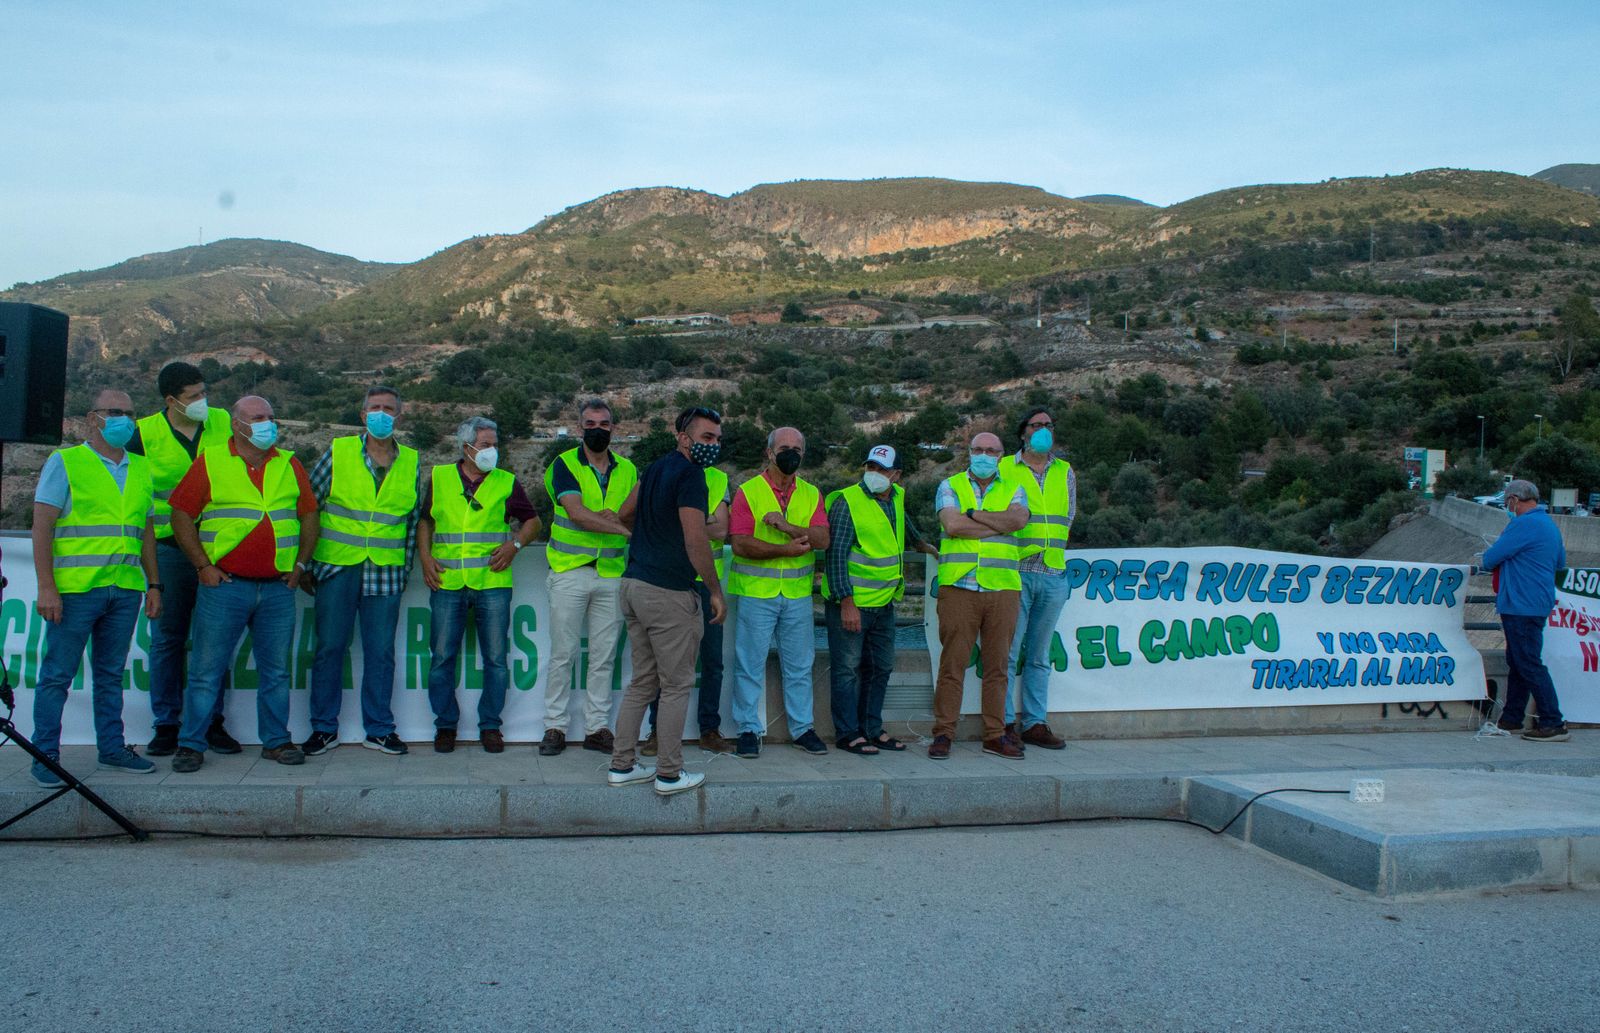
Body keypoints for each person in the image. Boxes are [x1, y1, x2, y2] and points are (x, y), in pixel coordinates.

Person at [167, 396, 320, 773]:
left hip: (277, 588)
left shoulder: (289, 463)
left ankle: (276, 741)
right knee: (207, 668)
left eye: (271, 416)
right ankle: (190, 744)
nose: (269, 423)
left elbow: (309, 515)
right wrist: (202, 565)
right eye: (258, 417)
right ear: (237, 424)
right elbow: (181, 515)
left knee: (276, 671)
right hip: (226, 586)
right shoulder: (213, 460)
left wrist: (300, 565)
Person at [27, 389, 162, 786]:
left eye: (130, 413)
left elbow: (146, 531)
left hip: (123, 588)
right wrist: (46, 587)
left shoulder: (140, 467)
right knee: (57, 675)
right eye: (114, 412)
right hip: (75, 590)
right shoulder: (65, 462)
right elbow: (42, 526)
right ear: (93, 418)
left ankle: (112, 750)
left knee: (109, 675)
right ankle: (45, 755)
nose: (123, 419)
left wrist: (154, 583)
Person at [607, 406, 729, 795]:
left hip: (633, 582)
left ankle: (622, 765)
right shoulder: (692, 476)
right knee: (675, 685)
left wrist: (651, 537)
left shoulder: (656, 468)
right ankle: (669, 774)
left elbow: (625, 513)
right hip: (668, 592)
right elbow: (697, 539)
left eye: (717, 438)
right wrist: (713, 590)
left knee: (642, 681)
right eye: (706, 437)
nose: (713, 445)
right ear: (683, 436)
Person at [301, 386, 423, 756]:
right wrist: (305, 563)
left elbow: (411, 521)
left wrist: (403, 572)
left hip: (385, 572)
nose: (381, 414)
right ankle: (324, 729)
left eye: (388, 408)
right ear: (362, 414)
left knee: (381, 653)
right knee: (329, 649)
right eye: (375, 408)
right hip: (337, 567)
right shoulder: (338, 454)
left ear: (399, 416)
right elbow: (308, 505)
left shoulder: (412, 461)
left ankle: (380, 729)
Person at [130, 361, 238, 757]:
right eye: (194, 397)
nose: (203, 402)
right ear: (171, 401)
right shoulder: (144, 434)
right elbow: (134, 494)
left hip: (217, 548)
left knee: (215, 640)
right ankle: (167, 725)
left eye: (204, 393)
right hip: (168, 549)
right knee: (168, 641)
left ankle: (212, 723)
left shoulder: (222, 421)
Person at [419, 417, 541, 753]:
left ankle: (490, 726)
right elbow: (425, 521)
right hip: (447, 581)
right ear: (467, 447)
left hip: (492, 582)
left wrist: (514, 545)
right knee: (442, 657)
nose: (492, 451)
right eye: (486, 444)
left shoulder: (506, 481)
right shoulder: (441, 477)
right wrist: (425, 559)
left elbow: (534, 521)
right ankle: (445, 726)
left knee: (496, 659)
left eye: (494, 444)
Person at [822, 444, 937, 755]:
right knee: (847, 669)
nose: (874, 474)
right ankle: (848, 733)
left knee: (881, 667)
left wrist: (928, 547)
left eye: (882, 469)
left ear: (896, 475)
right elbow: (835, 556)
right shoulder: (848, 501)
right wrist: (847, 602)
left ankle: (872, 729)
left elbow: (905, 528)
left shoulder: (896, 499)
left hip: (885, 603)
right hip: (853, 604)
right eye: (870, 467)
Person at [540, 399, 638, 756]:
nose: (598, 429)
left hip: (611, 573)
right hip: (569, 571)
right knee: (563, 654)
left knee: (603, 657)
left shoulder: (628, 469)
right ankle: (555, 726)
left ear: (613, 427)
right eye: (590, 423)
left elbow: (632, 513)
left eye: (604, 423)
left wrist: (620, 522)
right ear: (579, 428)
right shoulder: (563, 464)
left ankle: (597, 728)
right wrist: (620, 528)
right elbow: (577, 514)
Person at [728, 426, 830, 758]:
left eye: (797, 449)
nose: (791, 454)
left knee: (800, 665)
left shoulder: (812, 493)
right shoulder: (749, 492)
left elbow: (822, 540)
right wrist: (785, 550)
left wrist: (786, 528)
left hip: (798, 594)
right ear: (770, 453)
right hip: (758, 592)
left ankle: (803, 729)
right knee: (749, 664)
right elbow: (741, 544)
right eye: (784, 448)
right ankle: (747, 729)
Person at [929, 431, 1029, 760]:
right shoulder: (949, 485)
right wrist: (997, 524)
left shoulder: (1014, 487)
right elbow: (952, 526)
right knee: (952, 664)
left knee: (998, 666)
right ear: (968, 452)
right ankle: (943, 733)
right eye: (978, 449)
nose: (984, 455)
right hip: (959, 586)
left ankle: (995, 735)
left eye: (991, 450)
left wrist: (972, 514)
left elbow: (1018, 520)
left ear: (1001, 455)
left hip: (1002, 588)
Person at [642, 449, 733, 756]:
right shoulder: (666, 473)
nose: (711, 445)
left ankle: (709, 729)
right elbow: (703, 526)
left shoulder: (719, 479)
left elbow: (721, 529)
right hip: (672, 578)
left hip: (707, 583)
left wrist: (681, 521)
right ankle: (657, 731)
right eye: (706, 437)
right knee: (663, 661)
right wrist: (698, 520)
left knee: (712, 661)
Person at [999, 408, 1076, 751]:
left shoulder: (1064, 471)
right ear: (1023, 433)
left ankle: (1035, 723)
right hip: (1016, 571)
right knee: (1009, 652)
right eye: (1036, 425)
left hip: (1053, 573)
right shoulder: (1004, 468)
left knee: (1040, 656)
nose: (1043, 430)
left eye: (1048, 425)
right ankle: (1004, 724)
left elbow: (1069, 514)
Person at [1483, 479, 1569, 741]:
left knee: (1528, 663)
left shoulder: (1522, 525)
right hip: (1538, 603)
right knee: (1519, 662)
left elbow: (1489, 560)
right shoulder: (1549, 526)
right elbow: (1560, 563)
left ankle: (1553, 721)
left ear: (1513, 500)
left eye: (1507, 502)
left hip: (1520, 604)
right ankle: (1511, 718)